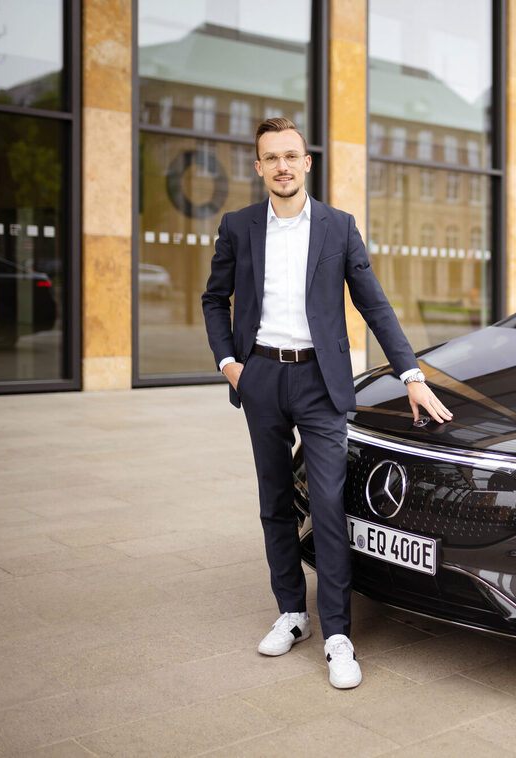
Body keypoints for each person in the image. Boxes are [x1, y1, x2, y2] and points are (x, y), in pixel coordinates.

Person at [202, 117, 452, 689]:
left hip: (321, 383)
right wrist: (230, 365)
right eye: (272, 158)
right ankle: (292, 614)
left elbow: (375, 305)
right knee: (274, 502)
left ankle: (337, 633)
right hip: (261, 376)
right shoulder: (238, 226)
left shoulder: (338, 228)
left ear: (307, 162)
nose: (282, 166)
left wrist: (412, 374)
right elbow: (214, 299)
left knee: (330, 506)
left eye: (292, 155)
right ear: (259, 166)